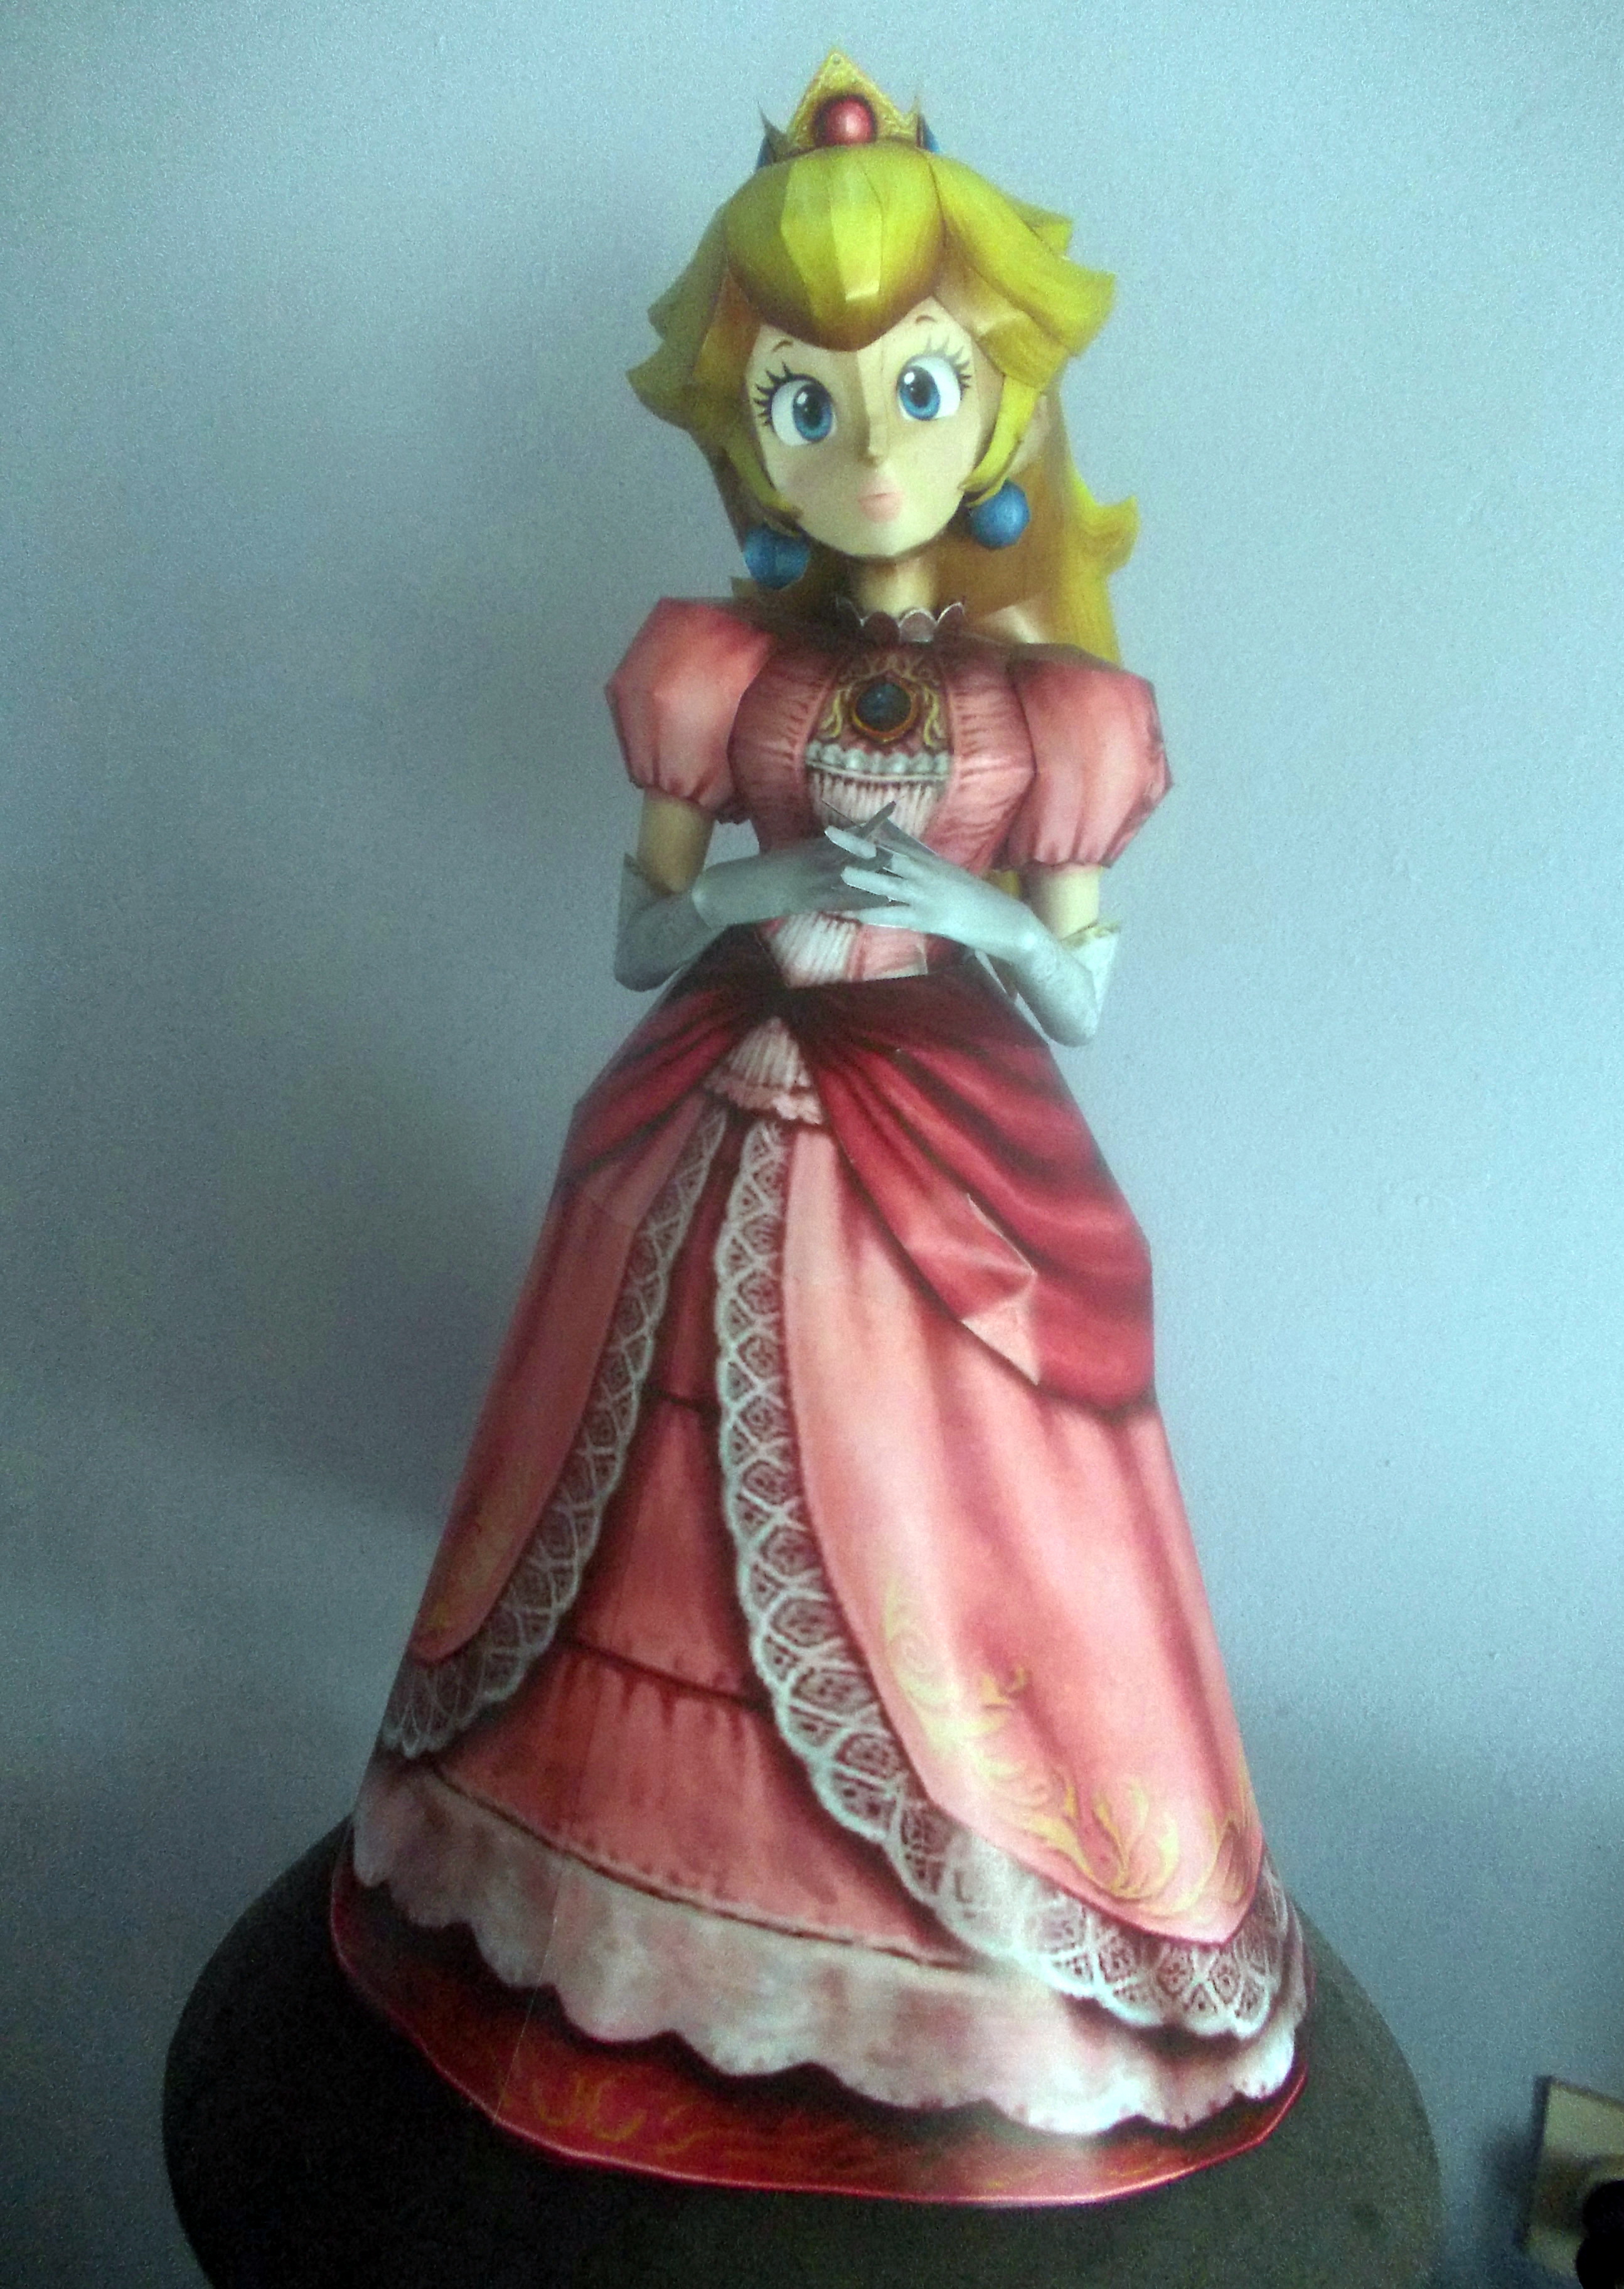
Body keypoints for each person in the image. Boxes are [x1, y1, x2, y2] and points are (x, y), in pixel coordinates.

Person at [333, 53, 1310, 2204]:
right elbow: (636, 940)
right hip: (709, 1105)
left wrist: (970, 912)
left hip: (938, 1149)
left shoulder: (1058, 711)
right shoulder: (709, 667)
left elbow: (1077, 996)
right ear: (747, 430)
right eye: (808, 400)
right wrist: (758, 891)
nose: (869, 447)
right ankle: (617, 1914)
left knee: (936, 1522)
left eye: (917, 391)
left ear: (1001, 411)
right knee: (650, 1497)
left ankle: (945, 1985)